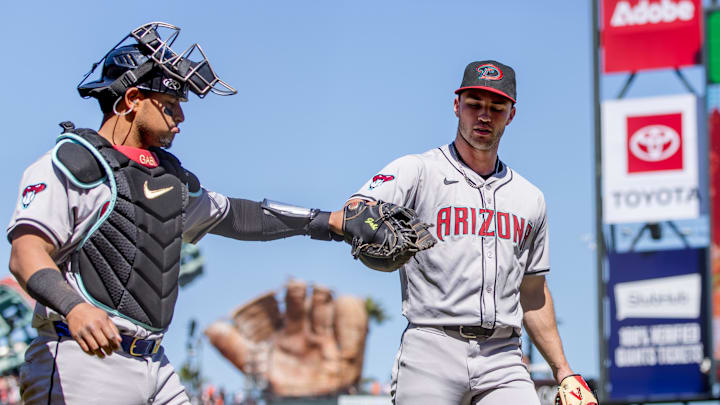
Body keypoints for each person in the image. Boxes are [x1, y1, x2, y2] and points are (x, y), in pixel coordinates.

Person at [6, 22, 400, 405]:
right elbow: (26, 254)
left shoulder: (169, 178)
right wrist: (74, 307)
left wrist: (327, 221)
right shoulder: (73, 161)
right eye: (170, 105)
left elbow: (237, 215)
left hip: (154, 361)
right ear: (131, 100)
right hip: (81, 357)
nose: (180, 118)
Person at [347, 60, 590, 404]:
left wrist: (563, 370)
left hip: (503, 355)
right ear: (457, 106)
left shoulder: (530, 197)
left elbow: (533, 291)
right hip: (431, 346)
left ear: (512, 114)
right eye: (474, 104)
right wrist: (360, 219)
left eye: (496, 107)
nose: (484, 115)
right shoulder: (418, 171)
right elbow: (356, 208)